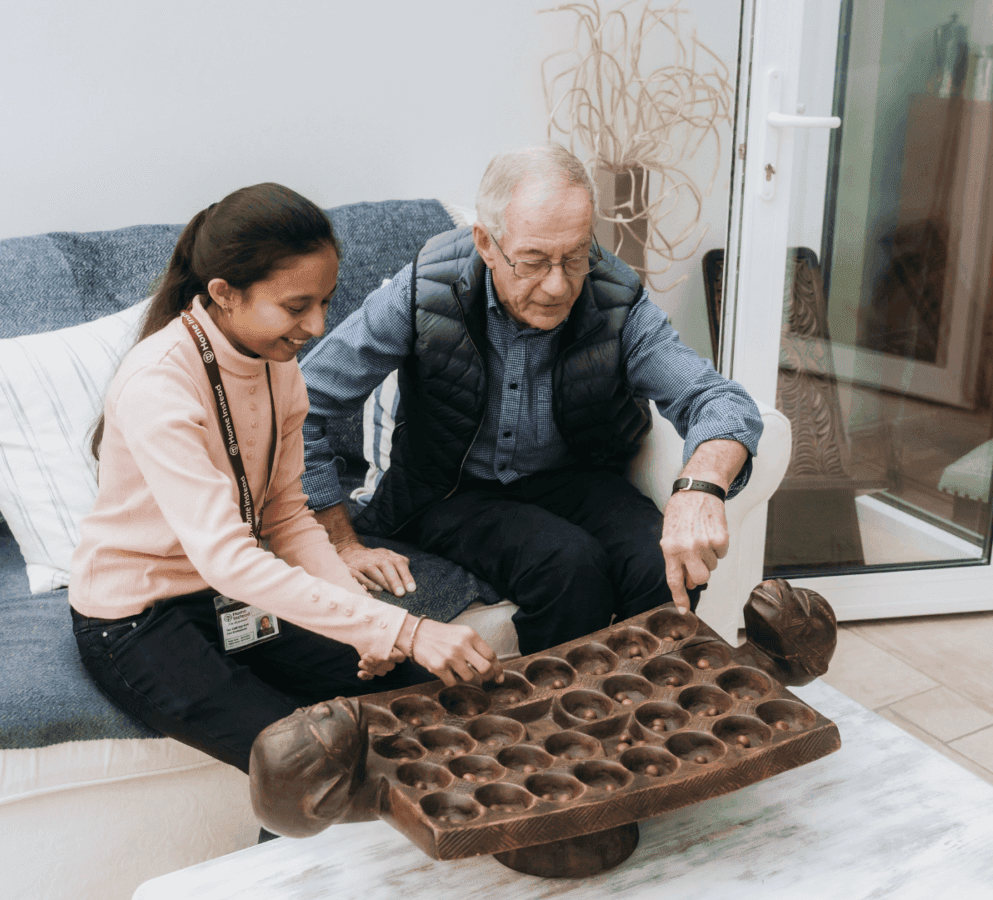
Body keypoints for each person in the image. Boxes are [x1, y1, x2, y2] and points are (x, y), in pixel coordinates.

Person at [69, 183, 503, 778]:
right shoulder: (158, 385)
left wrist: (368, 627)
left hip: (230, 598)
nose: (317, 325)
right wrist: (399, 625)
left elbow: (286, 519)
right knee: (307, 759)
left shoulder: (278, 368)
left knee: (419, 696)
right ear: (224, 294)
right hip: (137, 617)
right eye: (297, 307)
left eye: (324, 301)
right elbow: (227, 556)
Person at [300, 145, 765, 658]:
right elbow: (302, 403)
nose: (558, 285)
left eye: (575, 257)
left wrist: (700, 487)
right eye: (535, 261)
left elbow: (719, 400)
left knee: (660, 560)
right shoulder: (424, 291)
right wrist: (339, 543)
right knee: (567, 566)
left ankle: (646, 712)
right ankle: (558, 727)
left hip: (575, 476)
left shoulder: (615, 299)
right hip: (450, 487)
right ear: (486, 242)